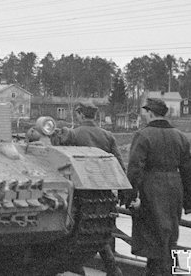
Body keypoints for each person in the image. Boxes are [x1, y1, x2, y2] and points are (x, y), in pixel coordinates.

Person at [126, 97, 191, 276]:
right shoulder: (180, 137)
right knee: (169, 233)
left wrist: (129, 195)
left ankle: (155, 271)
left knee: (151, 233)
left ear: (150, 113)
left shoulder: (143, 135)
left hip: (151, 188)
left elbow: (135, 168)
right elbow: (189, 171)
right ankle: (166, 270)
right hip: (174, 188)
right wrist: (190, 202)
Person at [56, 103, 124, 276]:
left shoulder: (73, 134)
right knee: (101, 229)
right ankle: (111, 268)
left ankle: (75, 264)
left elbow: (59, 158)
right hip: (104, 188)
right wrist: (124, 189)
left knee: (74, 228)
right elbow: (118, 162)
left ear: (79, 114)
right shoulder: (107, 135)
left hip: (79, 190)